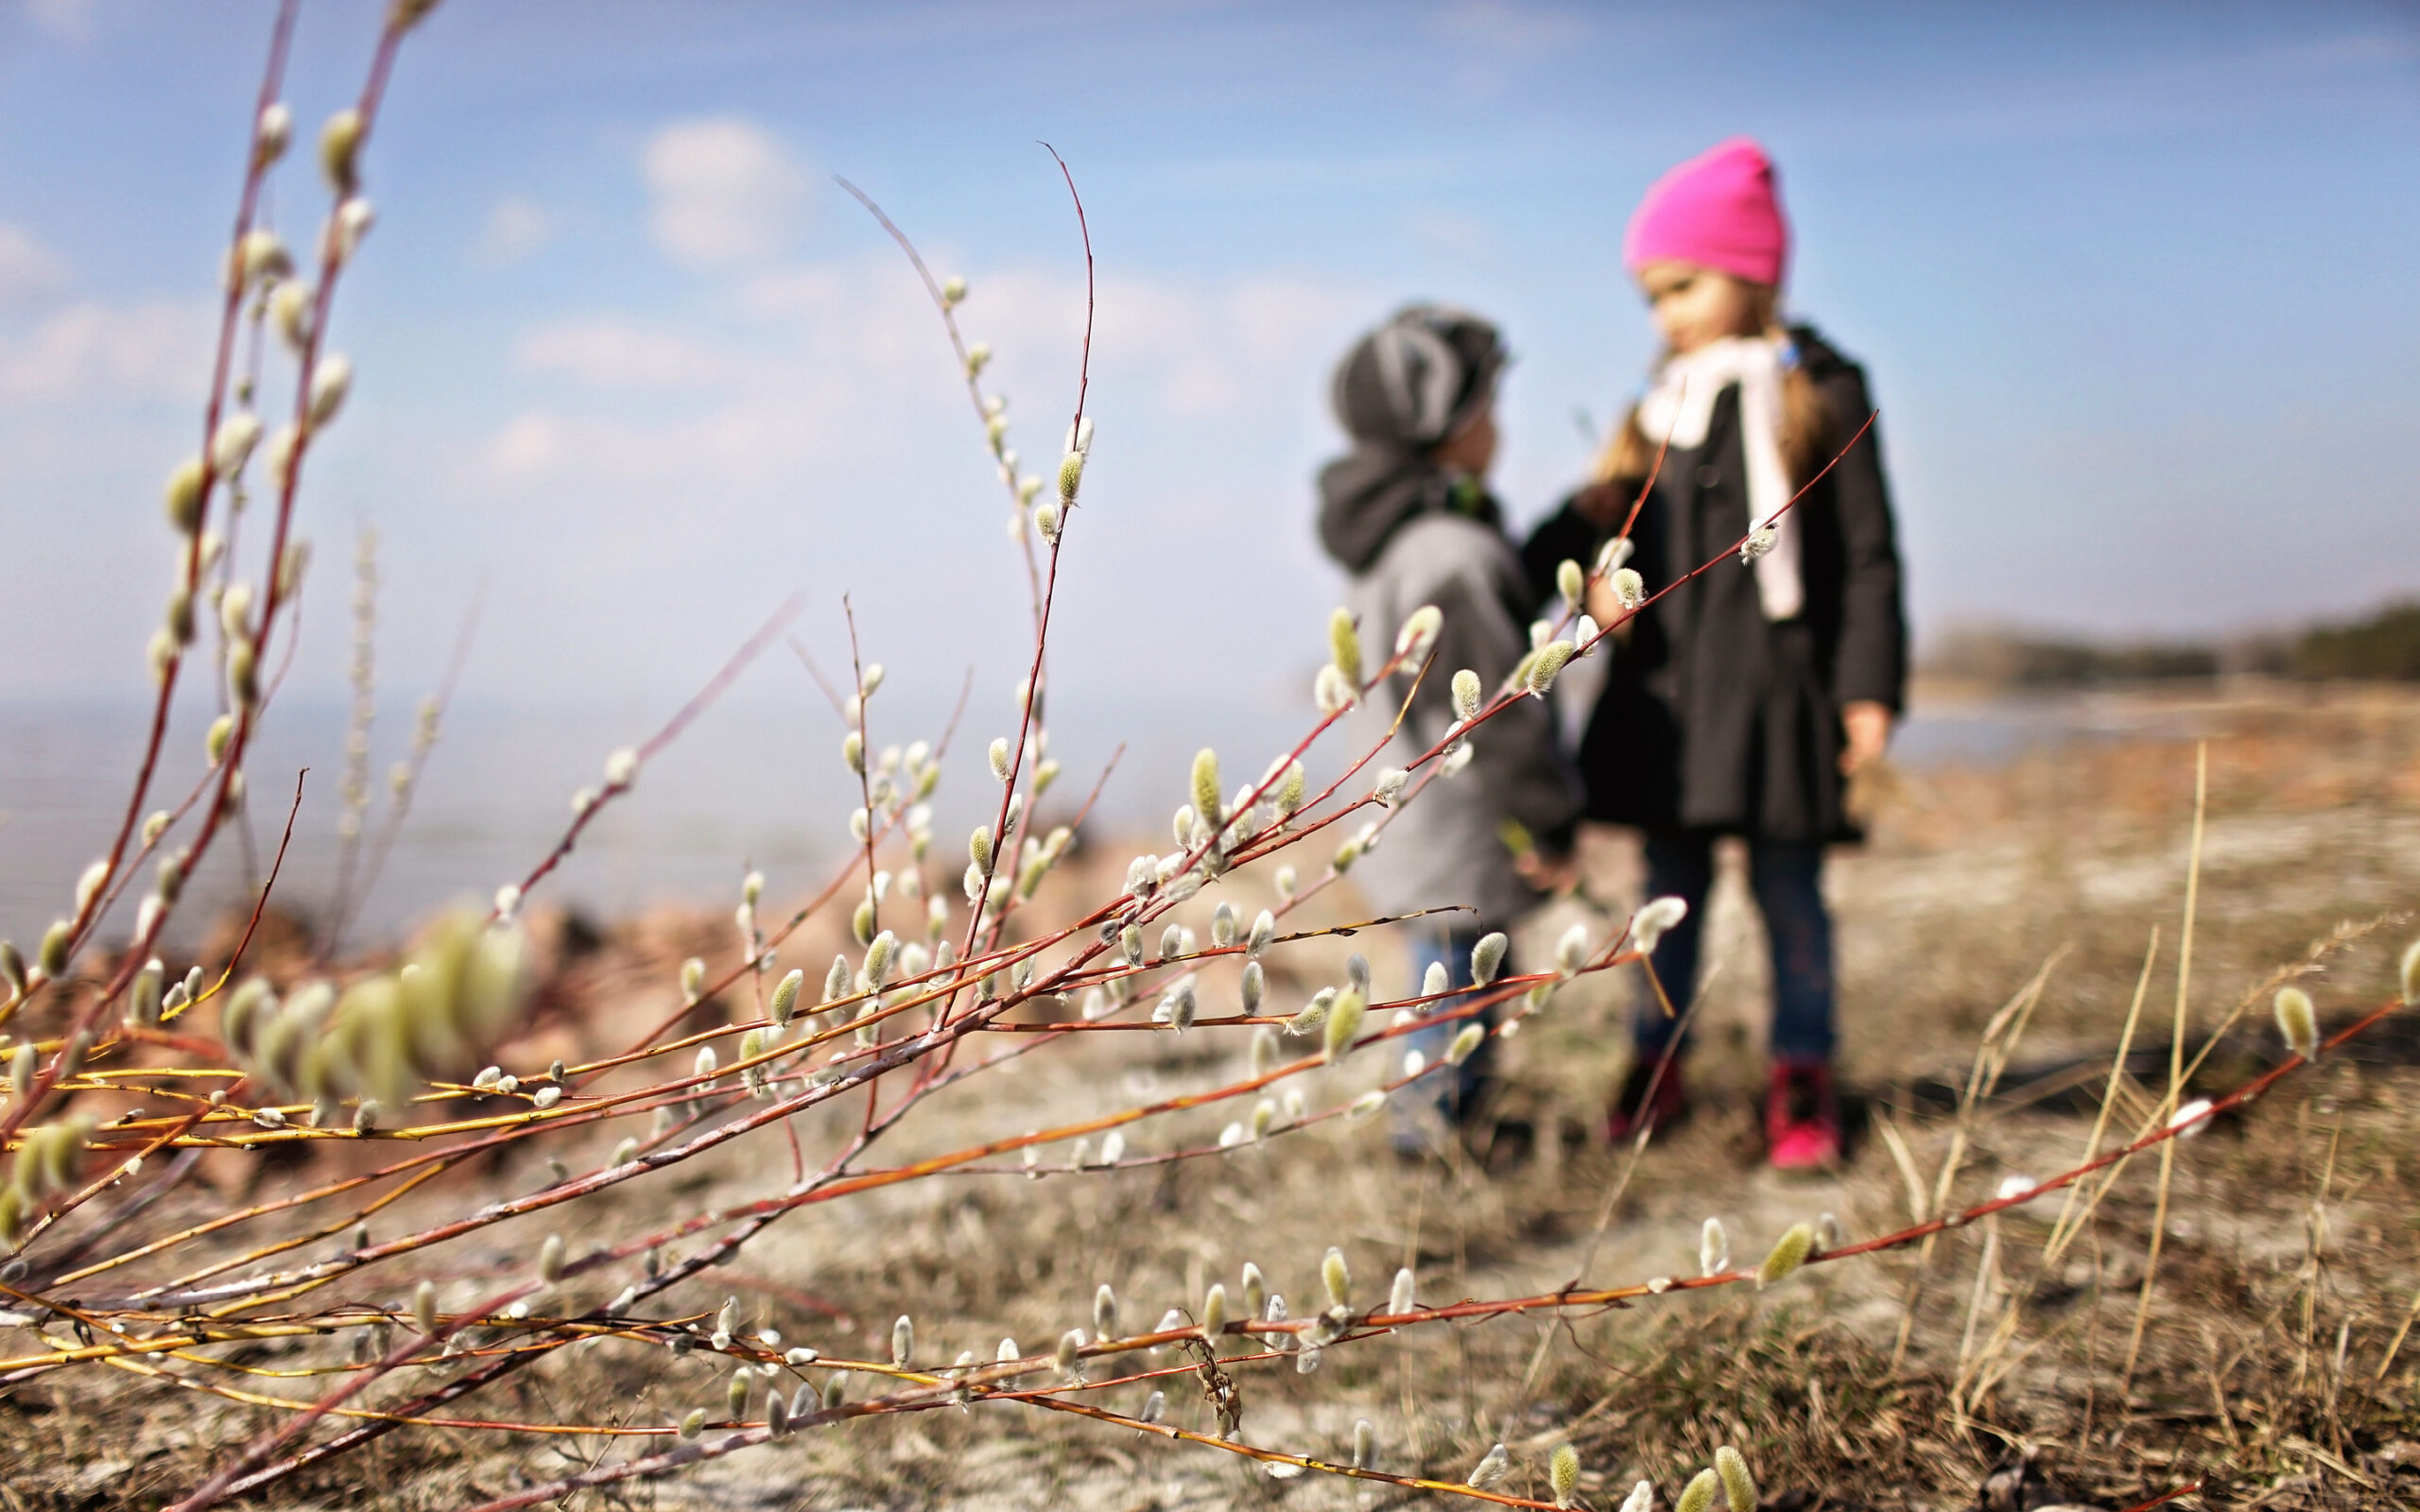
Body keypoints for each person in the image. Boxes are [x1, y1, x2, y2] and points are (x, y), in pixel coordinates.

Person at [1522, 139, 1906, 1172]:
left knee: (1791, 900)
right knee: (1669, 897)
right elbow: (1603, 536)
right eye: (1651, 296)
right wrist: (1599, 573)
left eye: (1682, 286)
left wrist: (1868, 688)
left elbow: (1868, 554)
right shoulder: (1656, 410)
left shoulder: (1818, 388)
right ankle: (1654, 1060)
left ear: (1751, 268)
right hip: (1673, 706)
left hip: (1785, 701)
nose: (1666, 315)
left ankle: (1803, 1076)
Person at [1317, 305, 1584, 1156]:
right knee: (1451, 990)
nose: (1499, 430)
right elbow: (1499, 710)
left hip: (1418, 819)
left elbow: (1496, 597)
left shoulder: (1418, 536)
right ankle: (1428, 1144)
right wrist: (1548, 820)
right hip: (1456, 827)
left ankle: (1451, 1123)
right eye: (1488, 411)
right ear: (1449, 428)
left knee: (1459, 982)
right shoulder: (1449, 551)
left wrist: (1576, 529)